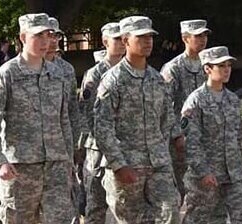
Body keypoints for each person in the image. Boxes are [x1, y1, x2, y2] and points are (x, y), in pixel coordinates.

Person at [0, 13, 75, 223]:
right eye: (38, 35)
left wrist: (68, 158)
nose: (45, 41)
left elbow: (64, 121)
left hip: (56, 166)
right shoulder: (7, 74)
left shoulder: (57, 75)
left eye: (48, 35)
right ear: (23, 37)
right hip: (20, 168)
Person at [95, 16, 181, 223]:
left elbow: (166, 118)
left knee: (170, 213)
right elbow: (103, 127)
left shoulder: (156, 79)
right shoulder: (113, 80)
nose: (148, 42)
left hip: (158, 164)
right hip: (128, 166)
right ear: (125, 41)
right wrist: (119, 164)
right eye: (141, 37)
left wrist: (173, 142)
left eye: (150, 37)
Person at [181, 46, 242, 223]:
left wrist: (239, 167)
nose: (227, 69)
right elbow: (191, 142)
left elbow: (238, 136)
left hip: (234, 174)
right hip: (207, 175)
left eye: (228, 65)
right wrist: (203, 171)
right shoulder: (196, 100)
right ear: (207, 69)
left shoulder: (233, 100)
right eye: (221, 66)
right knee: (201, 219)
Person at [79, 22, 125, 224]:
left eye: (123, 38)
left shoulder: (130, 71)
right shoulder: (95, 74)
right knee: (96, 205)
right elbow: (87, 114)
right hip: (98, 150)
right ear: (105, 41)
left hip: (125, 147)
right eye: (116, 39)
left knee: (124, 206)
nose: (121, 43)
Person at [160, 19, 210, 202]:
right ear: (185, 38)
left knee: (208, 194)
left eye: (205, 35)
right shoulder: (174, 68)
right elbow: (164, 106)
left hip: (207, 137)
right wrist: (177, 135)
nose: (203, 39)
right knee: (182, 192)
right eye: (198, 36)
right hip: (182, 140)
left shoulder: (210, 66)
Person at [47, 17, 83, 219]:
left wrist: (76, 144)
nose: (52, 40)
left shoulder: (66, 70)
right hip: (32, 155)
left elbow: (72, 111)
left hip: (63, 149)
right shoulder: (21, 70)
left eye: (56, 35)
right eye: (48, 35)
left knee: (68, 201)